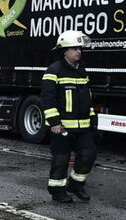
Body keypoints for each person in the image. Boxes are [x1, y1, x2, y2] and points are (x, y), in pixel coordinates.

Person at [40, 30, 97, 203]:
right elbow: (47, 99)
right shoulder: (54, 70)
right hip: (62, 127)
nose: (78, 51)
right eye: (74, 48)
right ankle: (57, 190)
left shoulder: (82, 71)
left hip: (82, 126)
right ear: (64, 51)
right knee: (61, 159)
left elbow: (88, 97)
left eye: (79, 48)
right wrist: (55, 123)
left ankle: (76, 184)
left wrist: (92, 119)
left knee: (89, 154)